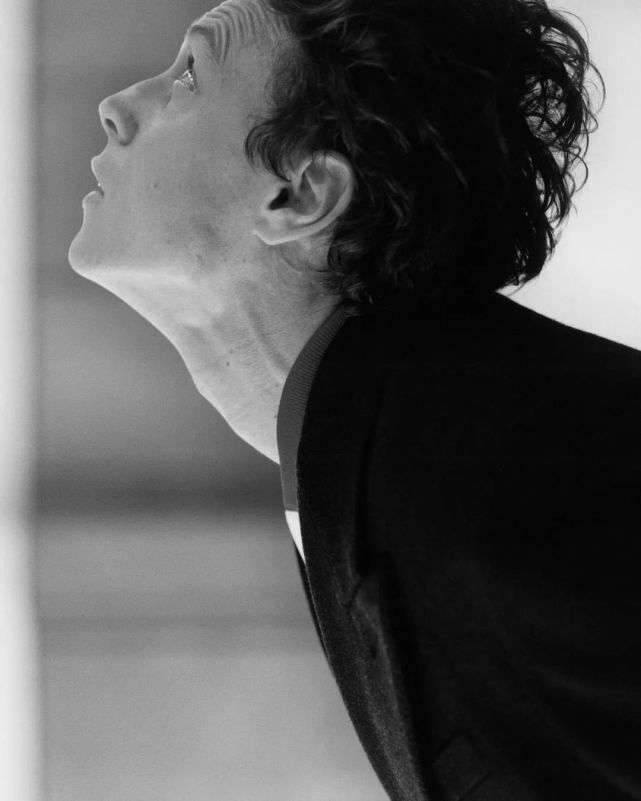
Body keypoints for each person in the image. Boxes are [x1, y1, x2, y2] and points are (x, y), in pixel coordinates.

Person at [68, 0, 641, 798]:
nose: (115, 105)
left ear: (300, 194)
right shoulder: (390, 451)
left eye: (189, 76)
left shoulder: (512, 471)